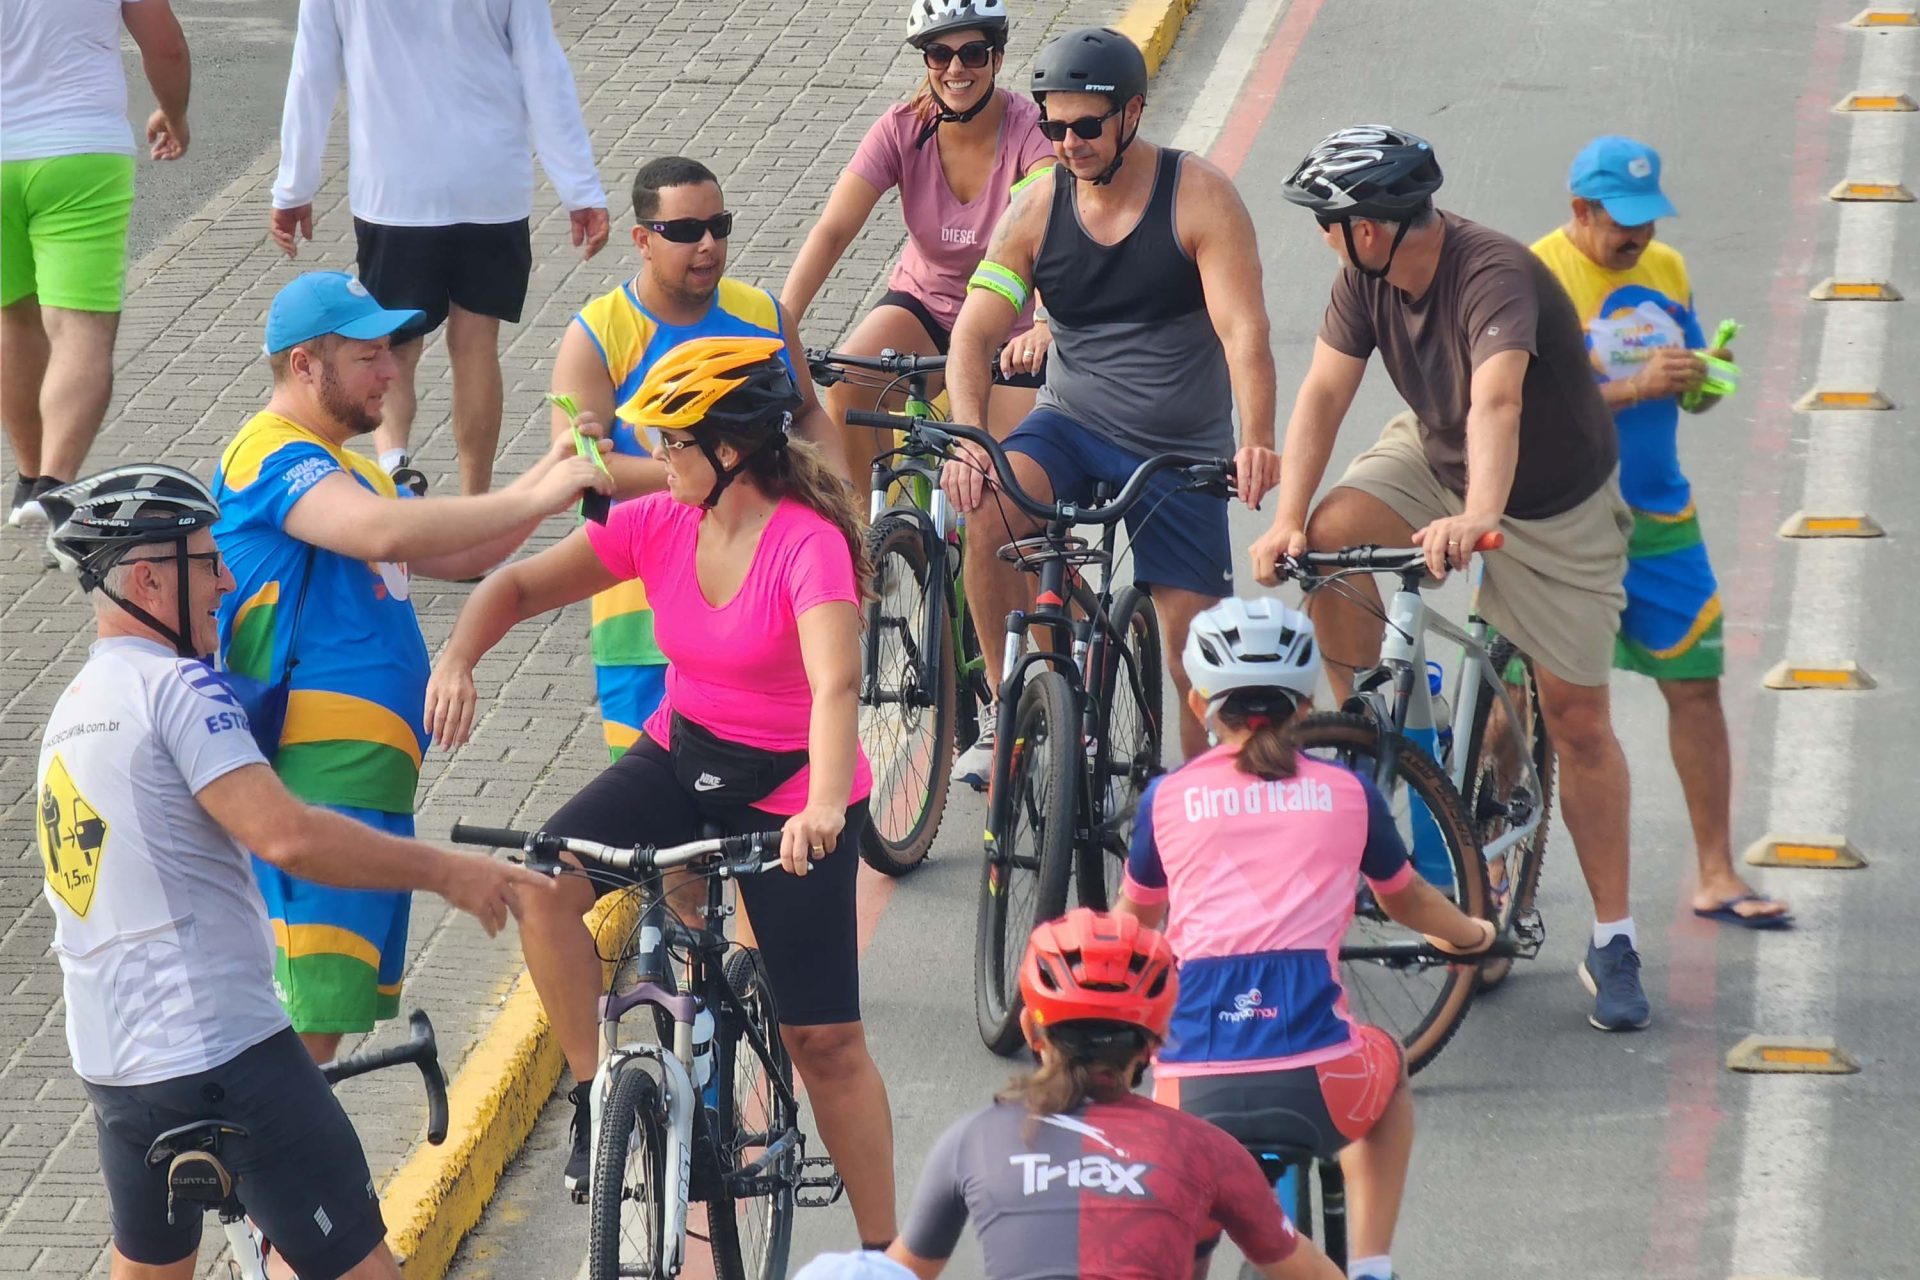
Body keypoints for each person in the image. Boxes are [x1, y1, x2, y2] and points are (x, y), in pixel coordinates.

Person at [424, 339, 897, 1244]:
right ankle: (600, 1096)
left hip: (791, 785)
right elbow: (519, 586)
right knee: (544, 883)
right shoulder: (660, 520)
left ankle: (890, 1256)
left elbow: (838, 688)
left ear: (731, 450)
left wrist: (826, 805)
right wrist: (458, 655)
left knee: (824, 1044)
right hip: (681, 754)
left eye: (675, 443)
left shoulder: (809, 543)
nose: (658, 459)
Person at [33, 464, 547, 1280]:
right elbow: (292, 838)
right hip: (221, 1057)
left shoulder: (72, 710)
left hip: (116, 1071)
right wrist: (448, 873)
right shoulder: (177, 689)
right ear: (144, 577)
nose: (227, 580)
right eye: (206, 561)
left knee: (149, 1269)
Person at [1248, 126, 1650, 1032]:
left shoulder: (1491, 272)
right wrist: (1285, 519)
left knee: (1577, 718)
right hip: (1435, 455)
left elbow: (1499, 400)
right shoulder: (1365, 278)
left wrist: (1482, 517)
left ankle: (1615, 939)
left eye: (1331, 221)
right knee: (1334, 540)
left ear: (1376, 225)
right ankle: (1389, 734)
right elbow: (1322, 394)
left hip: (1548, 499)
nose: (1324, 237)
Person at [212, 270, 611, 1066]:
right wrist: (540, 494)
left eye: (390, 352)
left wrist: (546, 474)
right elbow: (384, 534)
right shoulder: (269, 454)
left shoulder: (346, 465)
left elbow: (460, 548)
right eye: (368, 357)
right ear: (302, 366)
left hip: (366, 785)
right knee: (303, 1034)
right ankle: (270, 1192)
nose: (392, 372)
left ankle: (276, 1187)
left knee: (322, 1028)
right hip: (316, 779)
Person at [939, 26, 1281, 785]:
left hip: (1178, 449)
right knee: (987, 506)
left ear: (1132, 114)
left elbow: (1243, 330)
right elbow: (974, 335)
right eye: (1052, 127)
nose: (1067, 143)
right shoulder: (1033, 210)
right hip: (1071, 426)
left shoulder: (1199, 197)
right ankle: (1007, 706)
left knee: (1194, 658)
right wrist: (967, 435)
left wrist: (1256, 438)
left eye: (1085, 126)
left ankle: (1198, 821)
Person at [1115, 598, 1495, 1280]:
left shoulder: (1166, 799)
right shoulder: (1347, 791)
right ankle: (1373, 1266)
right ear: (1307, 700)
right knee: (1388, 1068)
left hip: (1189, 1092)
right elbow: (1404, 898)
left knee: (1189, 1226)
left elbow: (1131, 930)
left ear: (1202, 703)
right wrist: (1471, 935)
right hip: (1318, 1085)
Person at [1532, 136, 1790, 930]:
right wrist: (1637, 384)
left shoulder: (1668, 269)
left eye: (1647, 219)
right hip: (1558, 520)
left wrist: (1705, 375)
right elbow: (1529, 406)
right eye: (1622, 222)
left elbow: (1690, 396)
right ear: (1581, 210)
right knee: (1532, 708)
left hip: (1659, 514)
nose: (1637, 237)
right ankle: (1502, 874)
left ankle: (1716, 871)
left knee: (1697, 686)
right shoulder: (1534, 277)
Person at [553, 156, 836, 758]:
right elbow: (575, 474)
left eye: (719, 225)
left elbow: (811, 416)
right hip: (639, 617)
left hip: (761, 618)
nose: (708, 244)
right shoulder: (599, 334)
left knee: (758, 804)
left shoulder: (762, 316)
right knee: (647, 817)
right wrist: (701, 471)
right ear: (642, 241)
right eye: (685, 232)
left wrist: (840, 509)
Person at [885, 909, 1342, 1280]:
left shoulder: (972, 1140)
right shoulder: (1209, 1150)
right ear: (1157, 1041)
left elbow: (898, 1273)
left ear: (1030, 1029)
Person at [270, 0, 611, 495]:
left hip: (395, 191)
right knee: (476, 346)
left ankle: (394, 470)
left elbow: (312, 71)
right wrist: (580, 189)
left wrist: (294, 187)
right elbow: (542, 66)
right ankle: (476, 506)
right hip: (490, 183)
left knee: (391, 347)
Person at [780, 0, 1056, 477]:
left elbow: (1051, 232)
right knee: (847, 387)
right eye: (938, 53)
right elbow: (832, 231)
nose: (955, 68)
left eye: (972, 52)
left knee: (1000, 474)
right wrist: (779, 327)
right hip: (926, 305)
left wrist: (1047, 321)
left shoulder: (1031, 131)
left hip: (1009, 325)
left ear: (998, 58)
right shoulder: (902, 126)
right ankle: (870, 538)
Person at [2, 0, 190, 534]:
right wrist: (174, 116)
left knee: (13, 317)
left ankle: (27, 478)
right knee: (79, 326)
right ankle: (54, 487)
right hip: (79, 150)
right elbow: (166, 46)